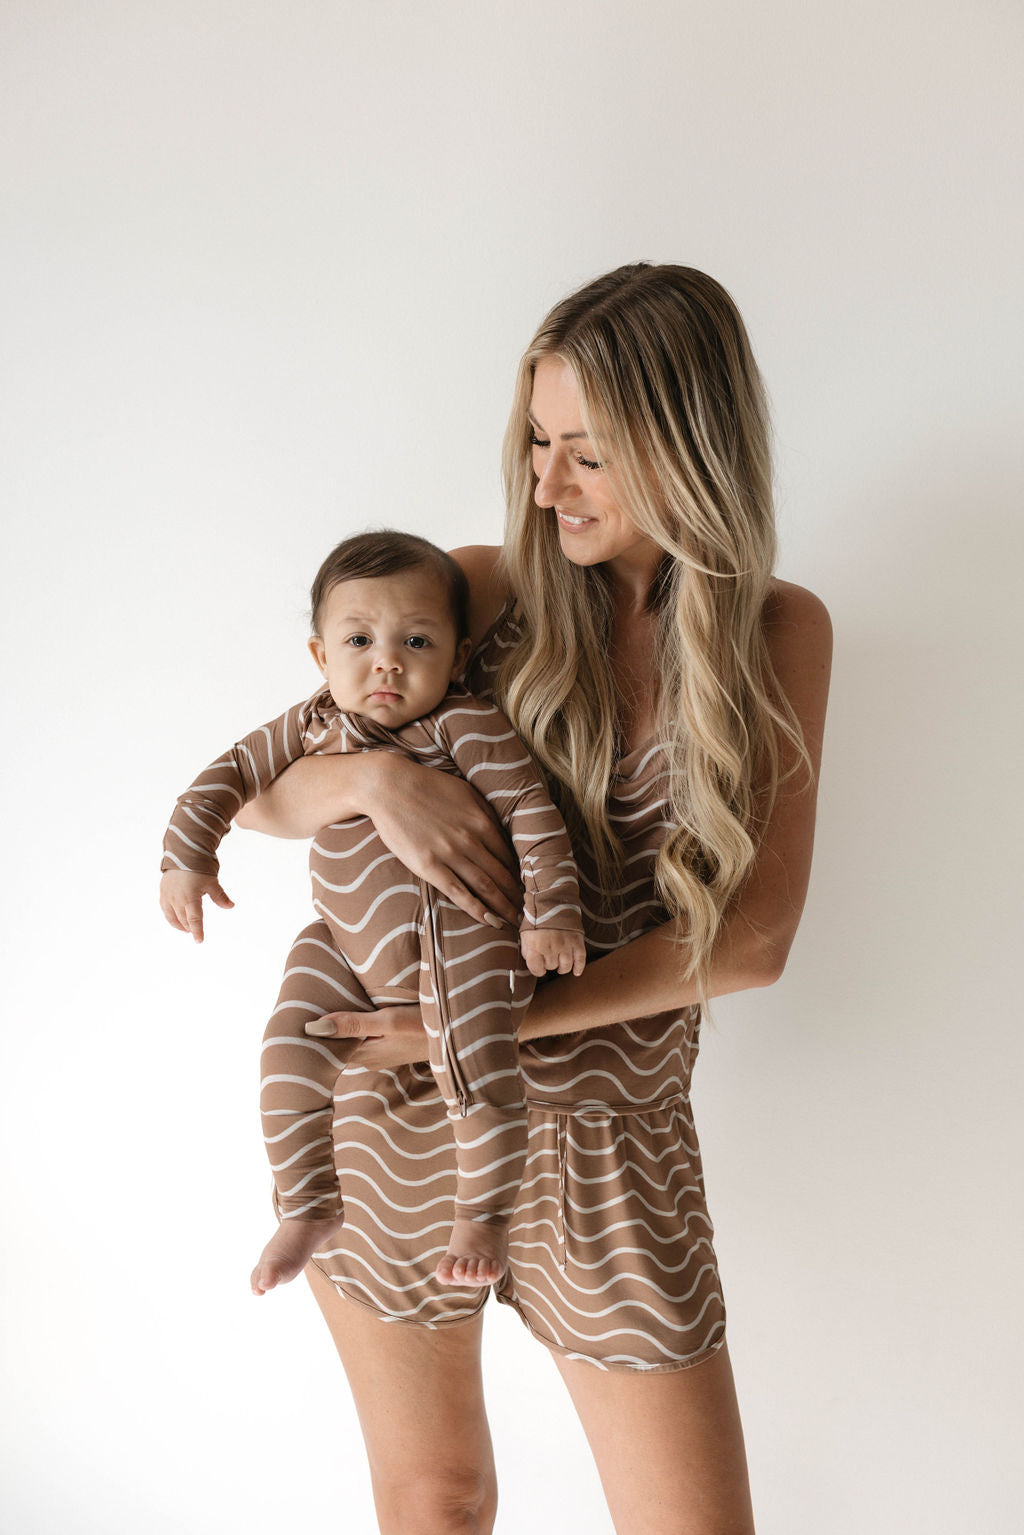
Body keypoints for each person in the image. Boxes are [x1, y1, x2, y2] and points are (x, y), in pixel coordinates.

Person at [235, 263, 832, 1535]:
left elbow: (755, 941)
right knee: (436, 1496)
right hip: (391, 1106)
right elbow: (254, 799)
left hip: (609, 1134)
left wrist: (473, 1027)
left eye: (590, 454)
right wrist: (373, 779)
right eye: (539, 443)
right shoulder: (476, 589)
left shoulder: (778, 631)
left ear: (691, 447)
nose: (547, 484)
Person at [160, 531, 586, 1293]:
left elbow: (531, 809)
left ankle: (482, 1213)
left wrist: (551, 910)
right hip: (345, 946)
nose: (386, 660)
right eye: (360, 638)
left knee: (474, 1060)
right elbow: (230, 774)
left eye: (415, 640)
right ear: (322, 655)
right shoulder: (312, 722)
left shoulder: (464, 724)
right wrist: (187, 856)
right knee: (288, 1044)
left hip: (464, 932)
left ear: (457, 658)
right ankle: (307, 1202)